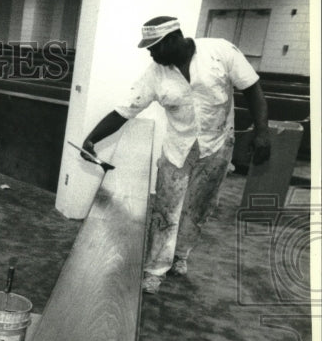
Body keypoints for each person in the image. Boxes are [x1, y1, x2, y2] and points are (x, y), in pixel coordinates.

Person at [80, 15, 270, 294]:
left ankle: (181, 254)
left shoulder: (220, 52)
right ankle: (156, 269)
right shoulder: (155, 74)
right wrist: (92, 139)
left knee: (199, 207)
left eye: (154, 47)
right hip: (178, 148)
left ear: (172, 40)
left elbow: (252, 89)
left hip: (217, 146)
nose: (150, 53)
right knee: (166, 209)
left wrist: (262, 131)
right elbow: (125, 110)